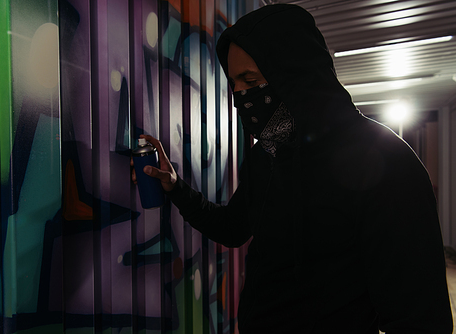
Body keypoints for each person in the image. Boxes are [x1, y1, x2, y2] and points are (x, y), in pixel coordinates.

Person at [132, 4, 453, 333]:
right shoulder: (267, 155)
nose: (241, 97)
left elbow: (420, 319)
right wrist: (175, 187)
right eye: (234, 85)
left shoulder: (389, 162)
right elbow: (233, 227)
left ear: (295, 73)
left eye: (251, 80)